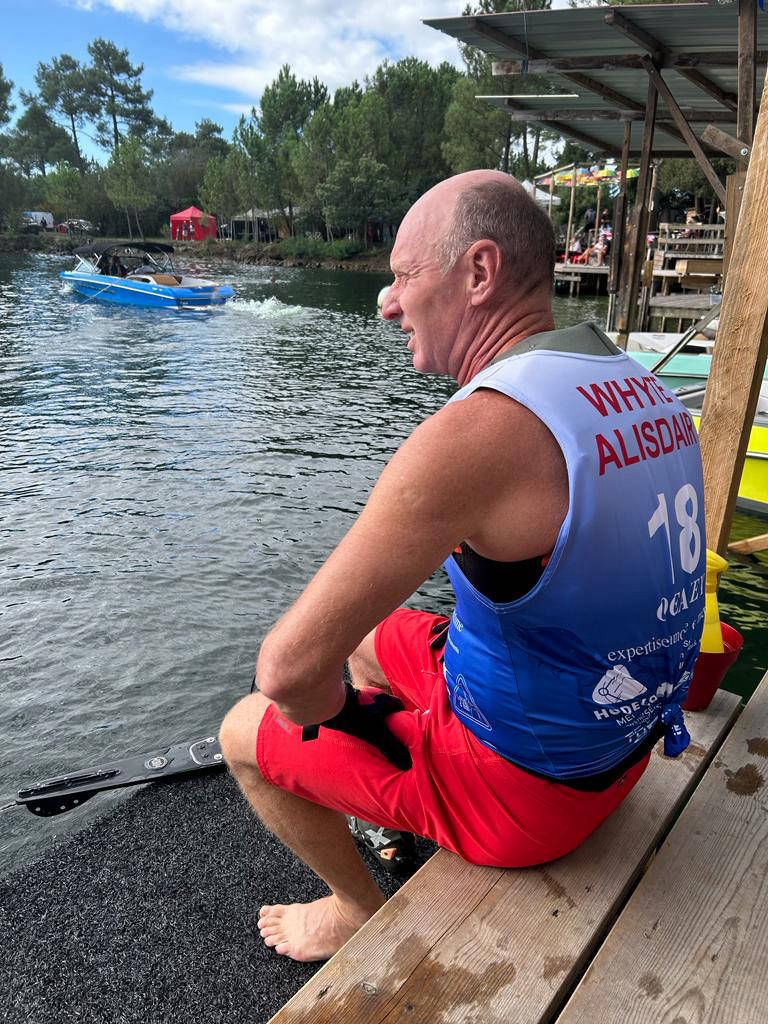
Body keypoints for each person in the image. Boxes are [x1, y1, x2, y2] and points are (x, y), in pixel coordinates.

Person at [219, 170, 706, 964]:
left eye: (404, 276)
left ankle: (355, 910)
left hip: (530, 802)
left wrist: (351, 719)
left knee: (246, 728)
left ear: (479, 272)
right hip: (622, 749)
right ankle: (403, 788)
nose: (387, 303)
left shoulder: (477, 435)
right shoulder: (643, 391)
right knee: (369, 636)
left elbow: (287, 671)